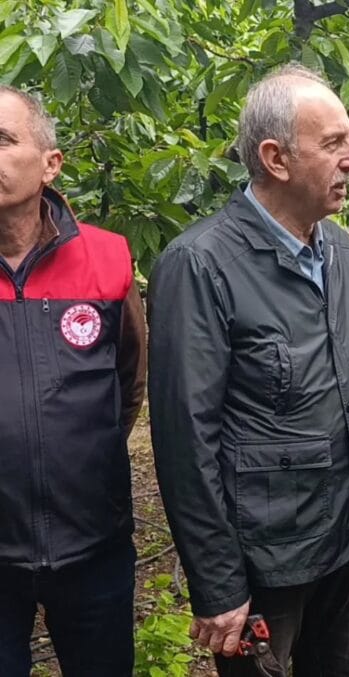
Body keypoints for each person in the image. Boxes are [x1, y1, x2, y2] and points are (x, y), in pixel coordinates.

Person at [147, 64, 349, 676]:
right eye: (335, 143)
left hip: (342, 537)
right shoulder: (199, 265)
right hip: (264, 557)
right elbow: (186, 439)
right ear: (275, 158)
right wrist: (217, 582)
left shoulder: (340, 250)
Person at [0, 85, 146, 675]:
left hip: (94, 546)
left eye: (4, 141)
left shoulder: (107, 259)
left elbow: (128, 381)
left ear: (50, 163)